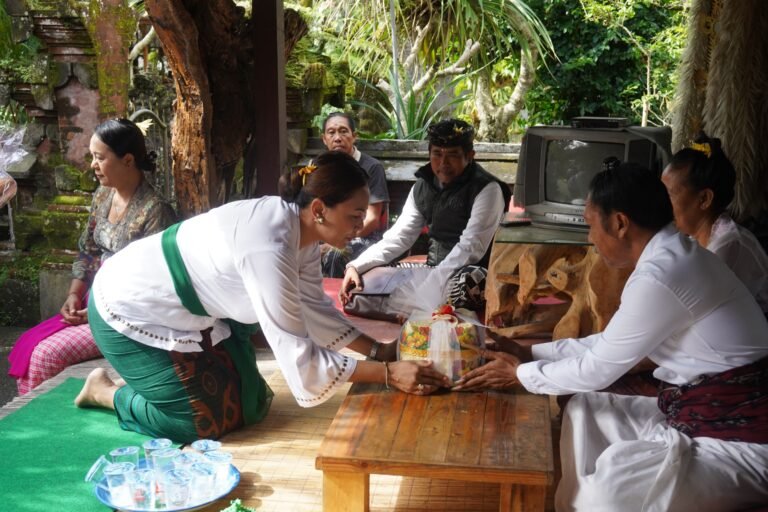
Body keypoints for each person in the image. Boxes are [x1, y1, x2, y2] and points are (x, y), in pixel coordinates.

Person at [74, 151, 451, 443]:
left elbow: (313, 308)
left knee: (250, 404)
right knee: (199, 421)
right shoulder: (269, 246)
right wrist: (387, 374)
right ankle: (105, 392)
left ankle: (152, 382)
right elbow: (300, 360)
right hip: (125, 310)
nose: (359, 227)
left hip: (189, 316)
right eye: (354, 216)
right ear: (319, 210)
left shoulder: (298, 230)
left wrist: (378, 350)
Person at [455, 162, 768, 511]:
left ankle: (586, 500)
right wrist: (532, 355)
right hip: (699, 412)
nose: (589, 237)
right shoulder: (670, 257)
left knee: (607, 494)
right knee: (585, 408)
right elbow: (608, 345)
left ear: (619, 223)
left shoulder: (664, 273)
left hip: (741, 439)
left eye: (590, 224)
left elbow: (599, 368)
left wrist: (519, 374)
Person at [8, 118, 176, 395]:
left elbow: (155, 284)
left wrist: (100, 311)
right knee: (29, 343)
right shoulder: (103, 196)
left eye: (99, 158)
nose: (93, 165)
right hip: (94, 302)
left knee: (45, 355)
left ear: (128, 160)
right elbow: (88, 249)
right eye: (92, 157)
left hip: (128, 316)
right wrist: (74, 294)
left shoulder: (154, 210)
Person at [339, 118, 511, 314]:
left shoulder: (488, 189)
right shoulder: (422, 187)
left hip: (468, 271)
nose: (443, 163)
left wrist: (426, 288)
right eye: (437, 154)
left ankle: (412, 308)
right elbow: (400, 237)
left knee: (468, 284)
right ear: (429, 154)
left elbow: (471, 247)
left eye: (453, 155)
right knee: (365, 279)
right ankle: (413, 309)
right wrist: (357, 266)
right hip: (429, 269)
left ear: (470, 155)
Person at [661, 133, 768, 314]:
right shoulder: (694, 239)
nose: (661, 203)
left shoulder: (728, 244)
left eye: (669, 195)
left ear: (704, 199)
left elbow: (691, 307)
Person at [319, 112, 390, 277]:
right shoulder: (319, 167)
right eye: (331, 132)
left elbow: (372, 219)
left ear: (354, 136)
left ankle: (337, 301)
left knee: (336, 255)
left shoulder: (372, 167)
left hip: (363, 237)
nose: (337, 137)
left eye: (343, 131)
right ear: (324, 139)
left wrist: (335, 241)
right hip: (326, 236)